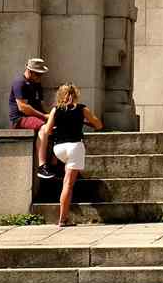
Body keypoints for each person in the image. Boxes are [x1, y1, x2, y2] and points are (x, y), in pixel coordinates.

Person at [39, 84, 104, 227]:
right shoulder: (82, 109)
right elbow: (99, 125)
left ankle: (63, 218)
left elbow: (47, 131)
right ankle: (63, 219)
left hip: (59, 148)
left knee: (66, 179)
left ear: (60, 95)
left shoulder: (55, 109)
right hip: (75, 147)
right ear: (75, 94)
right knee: (68, 184)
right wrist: (84, 121)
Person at [11, 58, 53, 174]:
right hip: (20, 119)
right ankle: (42, 166)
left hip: (37, 117)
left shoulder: (37, 85)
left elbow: (41, 105)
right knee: (44, 127)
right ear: (29, 71)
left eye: (41, 74)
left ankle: (56, 164)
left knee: (56, 127)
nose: (40, 77)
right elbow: (23, 107)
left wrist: (51, 116)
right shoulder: (20, 83)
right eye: (38, 74)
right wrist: (44, 116)